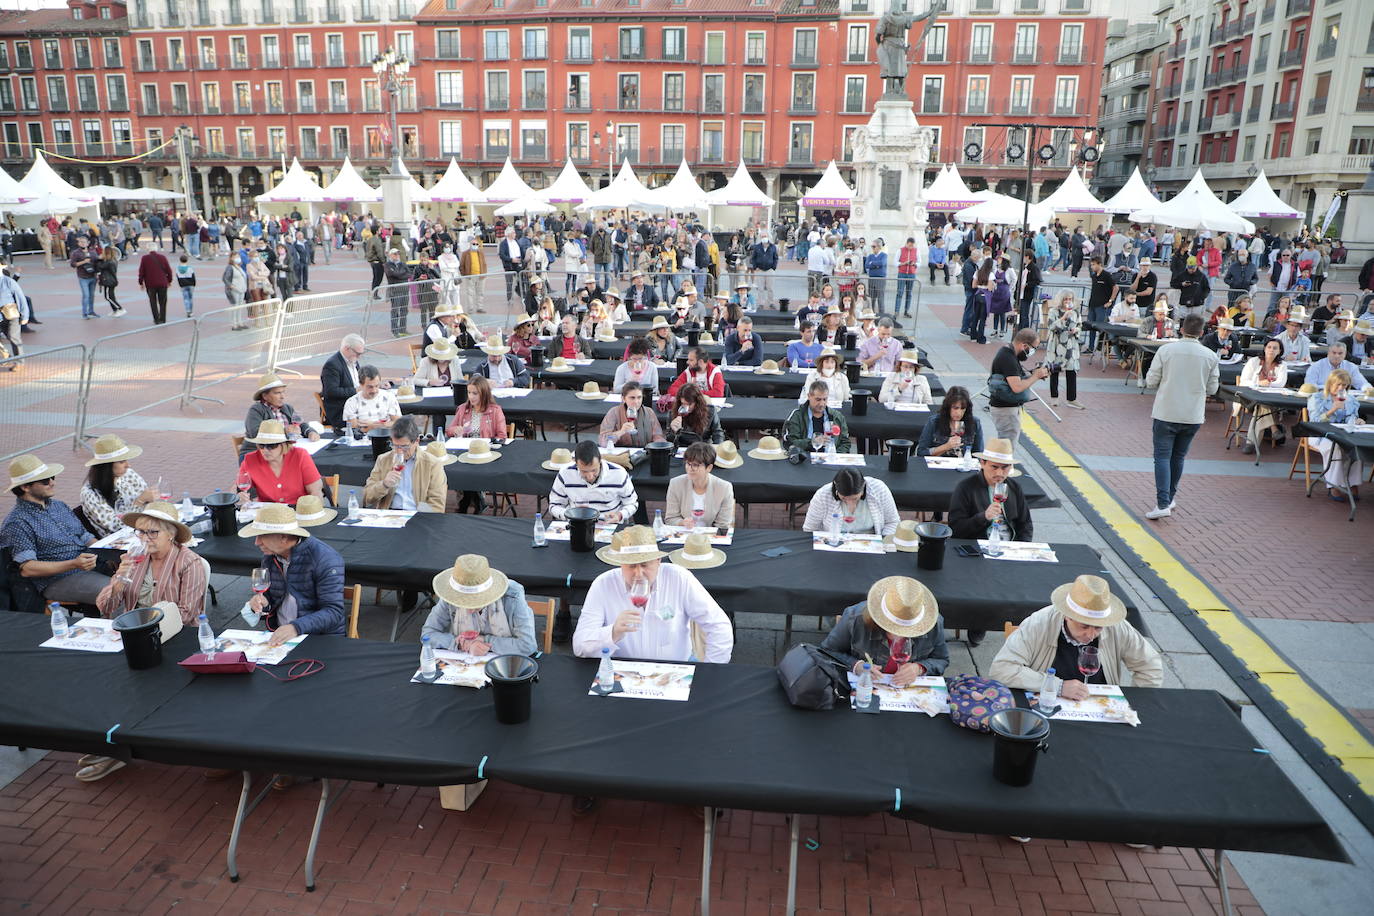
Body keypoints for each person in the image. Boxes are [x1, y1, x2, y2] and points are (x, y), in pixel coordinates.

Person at [73, 501, 210, 784]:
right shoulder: (134, 560)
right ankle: (109, 745)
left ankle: (114, 750)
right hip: (134, 634)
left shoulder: (190, 563)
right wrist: (119, 580)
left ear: (171, 534)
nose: (145, 538)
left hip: (175, 640)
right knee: (99, 678)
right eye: (140, 532)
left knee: (128, 682)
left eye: (152, 532)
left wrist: (143, 631)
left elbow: (187, 615)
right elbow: (106, 608)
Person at [574, 524, 734, 661]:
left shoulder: (679, 578)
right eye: (631, 565)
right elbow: (579, 646)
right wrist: (613, 632)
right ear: (620, 565)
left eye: (644, 565)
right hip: (624, 673)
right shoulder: (603, 585)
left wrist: (711, 671)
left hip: (676, 671)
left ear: (658, 562)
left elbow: (719, 626)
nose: (638, 573)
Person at [989, 574, 1162, 693]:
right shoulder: (1039, 623)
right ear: (1067, 616)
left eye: (1098, 627)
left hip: (1100, 708)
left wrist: (1132, 705)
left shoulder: (1116, 626)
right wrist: (1057, 686)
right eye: (1084, 626)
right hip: (1046, 704)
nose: (1091, 635)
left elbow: (1150, 666)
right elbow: (1002, 669)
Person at [240, 503, 345, 658]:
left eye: (261, 535)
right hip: (281, 639)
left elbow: (334, 612)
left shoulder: (326, 559)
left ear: (284, 536)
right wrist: (263, 603)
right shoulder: (270, 556)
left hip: (318, 640)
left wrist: (295, 628)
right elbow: (273, 597)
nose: (257, 542)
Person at [2, 455, 109, 604]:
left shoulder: (58, 505)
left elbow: (84, 536)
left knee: (140, 578)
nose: (52, 482)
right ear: (25, 487)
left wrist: (109, 552)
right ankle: (122, 626)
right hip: (58, 578)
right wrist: (73, 563)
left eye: (52, 477)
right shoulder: (17, 522)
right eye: (45, 480)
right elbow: (27, 568)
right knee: (116, 592)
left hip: (91, 563)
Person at [1143, 314, 1219, 519]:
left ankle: (1162, 503)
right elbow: (1213, 388)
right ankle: (1170, 497)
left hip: (1166, 410)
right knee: (1178, 457)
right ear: (1202, 333)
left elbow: (1151, 381)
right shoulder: (1211, 356)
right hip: (1192, 414)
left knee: (1162, 457)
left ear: (1181, 329)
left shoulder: (1166, 350)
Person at [821, 576, 949, 682]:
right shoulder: (854, 618)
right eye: (893, 627)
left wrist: (919, 668)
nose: (899, 635)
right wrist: (856, 666)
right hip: (863, 687)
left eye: (908, 630)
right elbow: (826, 651)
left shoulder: (934, 624)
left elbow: (941, 659)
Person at [422, 554, 537, 656]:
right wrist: (460, 644)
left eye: (475, 602)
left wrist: (484, 640)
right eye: (462, 601)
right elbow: (428, 634)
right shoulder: (450, 593)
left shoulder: (512, 596)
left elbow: (528, 645)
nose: (469, 610)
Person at [78, 435, 157, 538]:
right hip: (120, 542)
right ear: (106, 465)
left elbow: (148, 502)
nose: (128, 465)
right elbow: (117, 527)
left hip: (145, 530)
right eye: (122, 461)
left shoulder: (129, 474)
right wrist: (139, 502)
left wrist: (151, 499)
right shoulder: (90, 493)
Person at [363, 416, 448, 512]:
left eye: (404, 447)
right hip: (390, 515)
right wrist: (384, 484)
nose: (399, 451)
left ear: (416, 441)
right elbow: (367, 498)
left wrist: (418, 516)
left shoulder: (432, 464)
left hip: (417, 515)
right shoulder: (383, 460)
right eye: (395, 445)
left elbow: (437, 504)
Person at [1306, 370, 1366, 499]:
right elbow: (1314, 421)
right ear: (1330, 384)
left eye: (1344, 385)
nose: (1341, 388)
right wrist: (1333, 409)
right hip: (1320, 434)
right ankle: (1333, 485)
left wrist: (1356, 420)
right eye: (1338, 384)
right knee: (1336, 447)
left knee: (1356, 446)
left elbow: (1351, 417)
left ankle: (1352, 483)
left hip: (1342, 433)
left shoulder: (1350, 399)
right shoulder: (1317, 398)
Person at [548, 439, 638, 522]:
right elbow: (554, 505)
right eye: (584, 471)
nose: (590, 476)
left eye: (594, 470)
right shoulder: (565, 473)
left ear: (600, 461)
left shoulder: (618, 473)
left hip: (609, 524)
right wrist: (571, 514)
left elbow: (632, 503)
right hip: (577, 524)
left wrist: (619, 515)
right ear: (576, 464)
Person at [238, 420, 325, 505]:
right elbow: (238, 488)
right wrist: (240, 497)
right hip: (267, 514)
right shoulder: (250, 460)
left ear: (284, 444)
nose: (265, 450)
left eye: (271, 446)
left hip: (300, 512)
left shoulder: (300, 455)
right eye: (261, 445)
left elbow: (316, 492)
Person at [987, 329, 1048, 449]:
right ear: (1024, 345)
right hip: (1005, 410)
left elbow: (1017, 381)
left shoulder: (1009, 353)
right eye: (1033, 348)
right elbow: (1017, 387)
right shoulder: (1008, 358)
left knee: (1006, 446)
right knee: (1007, 448)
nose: (1032, 352)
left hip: (1006, 408)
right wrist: (1036, 376)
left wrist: (1033, 376)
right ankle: (1004, 467)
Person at [803, 467, 900, 537]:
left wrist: (883, 541)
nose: (850, 505)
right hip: (835, 544)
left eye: (855, 499)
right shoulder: (823, 495)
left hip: (871, 544)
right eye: (844, 498)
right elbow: (810, 529)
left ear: (863, 489)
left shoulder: (879, 489)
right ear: (836, 489)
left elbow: (892, 522)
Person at [243, 372, 322, 456]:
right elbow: (255, 434)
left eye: (283, 392)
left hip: (281, 452)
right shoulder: (256, 410)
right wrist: (284, 432)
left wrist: (310, 432)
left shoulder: (287, 408)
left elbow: (300, 424)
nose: (282, 396)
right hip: (259, 453)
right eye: (277, 393)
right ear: (265, 396)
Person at [664, 441, 735, 527]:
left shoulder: (724, 488)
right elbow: (670, 518)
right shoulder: (676, 484)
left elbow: (723, 525)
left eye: (695, 465)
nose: (690, 469)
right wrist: (682, 522)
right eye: (688, 464)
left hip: (711, 537)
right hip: (684, 534)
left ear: (709, 468)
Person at [1237, 338, 1290, 452]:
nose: (1271, 350)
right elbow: (1244, 381)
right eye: (1269, 347)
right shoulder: (1253, 362)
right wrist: (1258, 383)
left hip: (1270, 399)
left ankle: (1251, 443)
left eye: (1275, 348)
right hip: (1249, 397)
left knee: (1261, 407)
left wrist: (1268, 384)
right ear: (1265, 348)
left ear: (1280, 351)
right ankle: (1273, 428)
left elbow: (1281, 383)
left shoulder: (1282, 365)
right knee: (1261, 404)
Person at [784, 381, 854, 453]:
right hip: (804, 458)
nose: (822, 404)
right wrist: (811, 442)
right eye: (818, 399)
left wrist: (835, 456)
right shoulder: (797, 416)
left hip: (831, 459)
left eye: (825, 399)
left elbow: (845, 442)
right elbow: (790, 442)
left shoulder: (837, 417)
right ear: (809, 396)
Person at [1043, 290, 1084, 410]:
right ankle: (1054, 397)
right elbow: (1051, 326)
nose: (1068, 302)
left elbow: (1080, 325)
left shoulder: (1076, 312)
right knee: (1054, 370)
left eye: (1070, 299)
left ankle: (1072, 399)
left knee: (1071, 371)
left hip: (1070, 344)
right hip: (1056, 344)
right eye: (1065, 299)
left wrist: (1076, 330)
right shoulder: (1053, 311)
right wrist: (1063, 318)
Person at [916, 386, 982, 458]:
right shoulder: (934, 422)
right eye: (955, 408)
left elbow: (978, 453)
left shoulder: (974, 423)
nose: (959, 413)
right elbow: (921, 452)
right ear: (948, 407)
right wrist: (946, 446)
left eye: (963, 408)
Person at [320, 335, 365, 432]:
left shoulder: (353, 360)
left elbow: (360, 381)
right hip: (340, 410)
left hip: (356, 405)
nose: (359, 357)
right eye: (357, 353)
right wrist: (355, 390)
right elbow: (331, 391)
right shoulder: (332, 365)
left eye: (360, 353)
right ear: (346, 348)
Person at [600, 381, 665, 447]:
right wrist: (621, 432)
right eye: (632, 398)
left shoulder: (649, 412)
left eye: (639, 397)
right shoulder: (614, 413)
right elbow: (603, 440)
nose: (636, 402)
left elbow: (658, 436)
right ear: (623, 399)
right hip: (621, 454)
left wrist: (658, 445)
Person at [343, 365, 402, 434]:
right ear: (361, 385)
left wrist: (372, 425)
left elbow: (398, 423)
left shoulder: (389, 397)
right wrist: (384, 424)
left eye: (377, 386)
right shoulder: (351, 402)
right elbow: (353, 430)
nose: (374, 390)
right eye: (370, 387)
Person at [137, 242, 174, 325]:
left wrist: (140, 282)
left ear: (148, 249)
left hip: (150, 284)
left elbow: (141, 271)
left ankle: (156, 319)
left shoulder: (144, 258)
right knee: (163, 302)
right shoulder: (163, 257)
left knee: (153, 302)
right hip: (162, 283)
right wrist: (169, 280)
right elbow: (169, 271)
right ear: (156, 249)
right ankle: (163, 318)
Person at [70, 236, 101, 319]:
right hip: (83, 277)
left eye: (84, 242)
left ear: (88, 243)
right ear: (78, 243)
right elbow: (73, 264)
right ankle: (84, 313)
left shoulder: (92, 251)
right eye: (81, 242)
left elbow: (97, 261)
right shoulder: (76, 253)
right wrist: (84, 261)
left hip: (93, 276)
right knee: (86, 295)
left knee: (92, 295)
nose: (83, 243)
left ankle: (91, 311)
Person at [96, 245, 125, 317]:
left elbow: (100, 266)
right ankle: (115, 310)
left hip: (109, 281)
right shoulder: (113, 260)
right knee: (111, 296)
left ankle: (120, 309)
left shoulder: (109, 262)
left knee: (108, 297)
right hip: (111, 280)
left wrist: (99, 259)